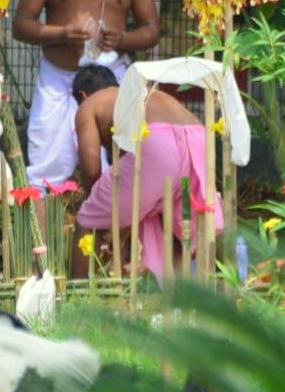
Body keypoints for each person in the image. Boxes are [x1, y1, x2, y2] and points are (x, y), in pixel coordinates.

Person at [12, 0, 159, 190]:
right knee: (45, 172)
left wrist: (122, 39)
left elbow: (151, 30)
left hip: (110, 82)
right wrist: (61, 34)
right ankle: (44, 224)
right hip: (56, 79)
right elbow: (21, 25)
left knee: (117, 169)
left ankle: (107, 224)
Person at [68, 66, 221, 283]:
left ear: (83, 96)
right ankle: (178, 301)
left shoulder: (88, 106)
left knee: (87, 221)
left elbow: (91, 170)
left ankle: (77, 297)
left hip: (159, 145)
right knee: (176, 230)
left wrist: (100, 213)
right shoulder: (140, 95)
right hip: (198, 140)